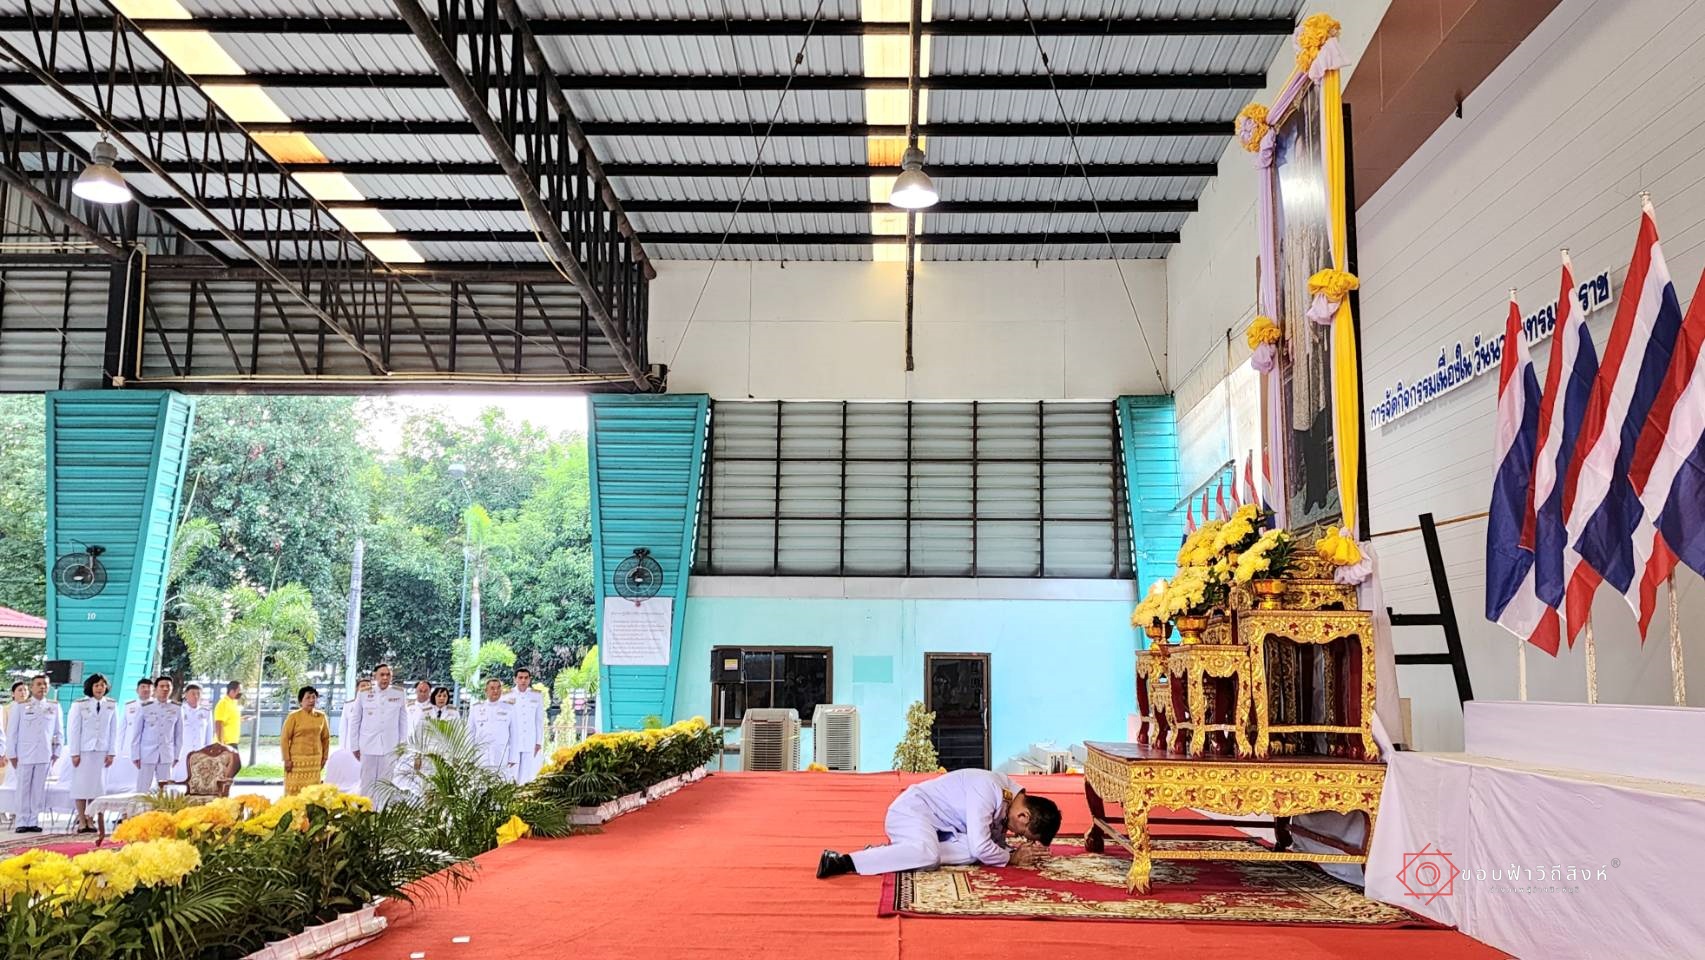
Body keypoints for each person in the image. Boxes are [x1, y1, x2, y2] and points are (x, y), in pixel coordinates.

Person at [816, 769, 1062, 879]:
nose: (1017, 837)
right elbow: (983, 845)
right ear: (1023, 817)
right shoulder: (988, 789)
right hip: (912, 813)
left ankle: (893, 853)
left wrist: (1010, 852)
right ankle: (843, 861)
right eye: (1023, 835)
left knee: (973, 852)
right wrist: (1012, 858)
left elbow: (988, 843)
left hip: (941, 830)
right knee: (930, 855)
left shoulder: (1010, 797)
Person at [6, 675, 62, 834]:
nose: (42, 687)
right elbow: (12, 732)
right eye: (38, 684)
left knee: (38, 789)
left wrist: (57, 752)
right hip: (24, 754)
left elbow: (58, 731)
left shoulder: (53, 706)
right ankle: (22, 820)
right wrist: (12, 754)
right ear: (32, 687)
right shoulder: (21, 706)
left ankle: (33, 820)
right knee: (23, 789)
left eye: (45, 684)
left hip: (44, 754)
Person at [348, 663, 408, 805]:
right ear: (375, 676)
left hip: (390, 745)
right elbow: (355, 720)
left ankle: (382, 812)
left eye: (388, 675)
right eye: (382, 675)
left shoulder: (399, 693)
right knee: (367, 781)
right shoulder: (364, 693)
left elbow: (403, 721)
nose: (385, 678)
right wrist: (354, 745)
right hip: (368, 744)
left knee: (385, 782)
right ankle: (365, 811)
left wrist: (402, 745)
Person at [66, 673, 117, 833]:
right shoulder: (80, 704)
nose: (100, 688)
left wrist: (111, 752)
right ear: (91, 687)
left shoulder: (111, 704)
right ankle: (81, 819)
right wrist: (74, 753)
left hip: (101, 751)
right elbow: (74, 730)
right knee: (81, 786)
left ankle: (91, 819)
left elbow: (113, 730)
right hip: (84, 751)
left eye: (102, 685)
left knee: (97, 787)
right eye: (96, 685)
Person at [131, 676, 182, 793]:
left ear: (171, 689)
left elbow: (179, 735)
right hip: (147, 753)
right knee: (143, 788)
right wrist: (135, 754)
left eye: (168, 686)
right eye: (162, 686)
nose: (165, 689)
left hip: (166, 754)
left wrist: (176, 755)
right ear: (155, 689)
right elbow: (137, 733)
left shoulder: (176, 708)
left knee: (165, 790)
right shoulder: (146, 707)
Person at [281, 686, 330, 795]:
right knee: (294, 792)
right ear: (300, 701)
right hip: (296, 762)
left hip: (314, 761)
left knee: (313, 793)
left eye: (314, 697)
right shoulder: (293, 717)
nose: (311, 700)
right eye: (308, 697)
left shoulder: (321, 717)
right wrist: (286, 759)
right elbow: (284, 738)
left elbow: (325, 738)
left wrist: (325, 757)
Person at [108, 677, 152, 791]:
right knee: (125, 781)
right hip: (129, 748)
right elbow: (122, 729)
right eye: (143, 687)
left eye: (149, 687)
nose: (146, 689)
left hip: (148, 749)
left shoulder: (156, 706)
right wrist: (118, 748)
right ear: (137, 690)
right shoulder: (129, 706)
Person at [503, 668, 546, 784]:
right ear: (515, 679)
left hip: (529, 739)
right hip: (512, 740)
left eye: (526, 678)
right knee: (511, 773)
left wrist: (538, 742)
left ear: (529, 679)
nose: (523, 680)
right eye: (520, 678)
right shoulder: (507, 695)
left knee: (527, 775)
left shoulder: (536, 695)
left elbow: (539, 720)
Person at [467, 678, 515, 778]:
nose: (496, 691)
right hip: (481, 756)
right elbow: (470, 733)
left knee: (501, 781)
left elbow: (514, 735)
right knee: (481, 782)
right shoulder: (476, 708)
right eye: (492, 688)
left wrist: (513, 757)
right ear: (486, 691)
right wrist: (469, 756)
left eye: (498, 688)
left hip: (501, 754)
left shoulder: (509, 708)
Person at [174, 683, 213, 780]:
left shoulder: (206, 712)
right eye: (193, 693)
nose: (196, 696)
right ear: (186, 695)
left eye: (198, 694)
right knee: (180, 780)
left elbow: (209, 736)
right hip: (182, 753)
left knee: (197, 780)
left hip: (199, 752)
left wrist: (209, 753)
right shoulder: (179, 710)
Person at [0, 681, 26, 787]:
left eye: (25, 690)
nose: (23, 692)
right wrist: (3, 752)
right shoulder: (6, 709)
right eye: (20, 690)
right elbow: (3, 730)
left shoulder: (31, 709)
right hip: (9, 749)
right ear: (13, 693)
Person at [339, 676, 372, 748]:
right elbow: (343, 730)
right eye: (363, 686)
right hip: (351, 747)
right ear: (357, 689)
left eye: (368, 687)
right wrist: (342, 749)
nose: (366, 688)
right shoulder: (348, 706)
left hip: (369, 747)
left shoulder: (375, 707)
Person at [213, 680, 243, 750]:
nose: (241, 693)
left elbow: (231, 719)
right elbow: (218, 723)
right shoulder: (223, 703)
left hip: (233, 742)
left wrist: (243, 719)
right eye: (239, 691)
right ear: (232, 691)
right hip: (226, 743)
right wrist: (220, 744)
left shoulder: (233, 703)